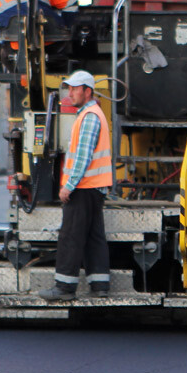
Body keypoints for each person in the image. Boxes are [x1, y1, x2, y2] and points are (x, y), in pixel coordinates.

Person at [38, 70, 113, 301]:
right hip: (93, 187)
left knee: (71, 235)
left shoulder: (89, 115)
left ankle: (64, 288)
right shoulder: (90, 114)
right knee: (93, 236)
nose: (69, 92)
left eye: (74, 88)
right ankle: (99, 285)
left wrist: (68, 185)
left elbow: (83, 156)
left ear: (87, 91)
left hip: (83, 186)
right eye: (68, 88)